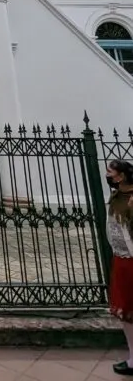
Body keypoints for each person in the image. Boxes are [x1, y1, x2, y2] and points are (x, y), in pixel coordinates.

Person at [106, 159, 133, 375]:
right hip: (120, 259)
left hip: (132, 260)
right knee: (126, 311)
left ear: (121, 175)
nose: (107, 175)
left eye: (110, 171)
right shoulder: (115, 196)